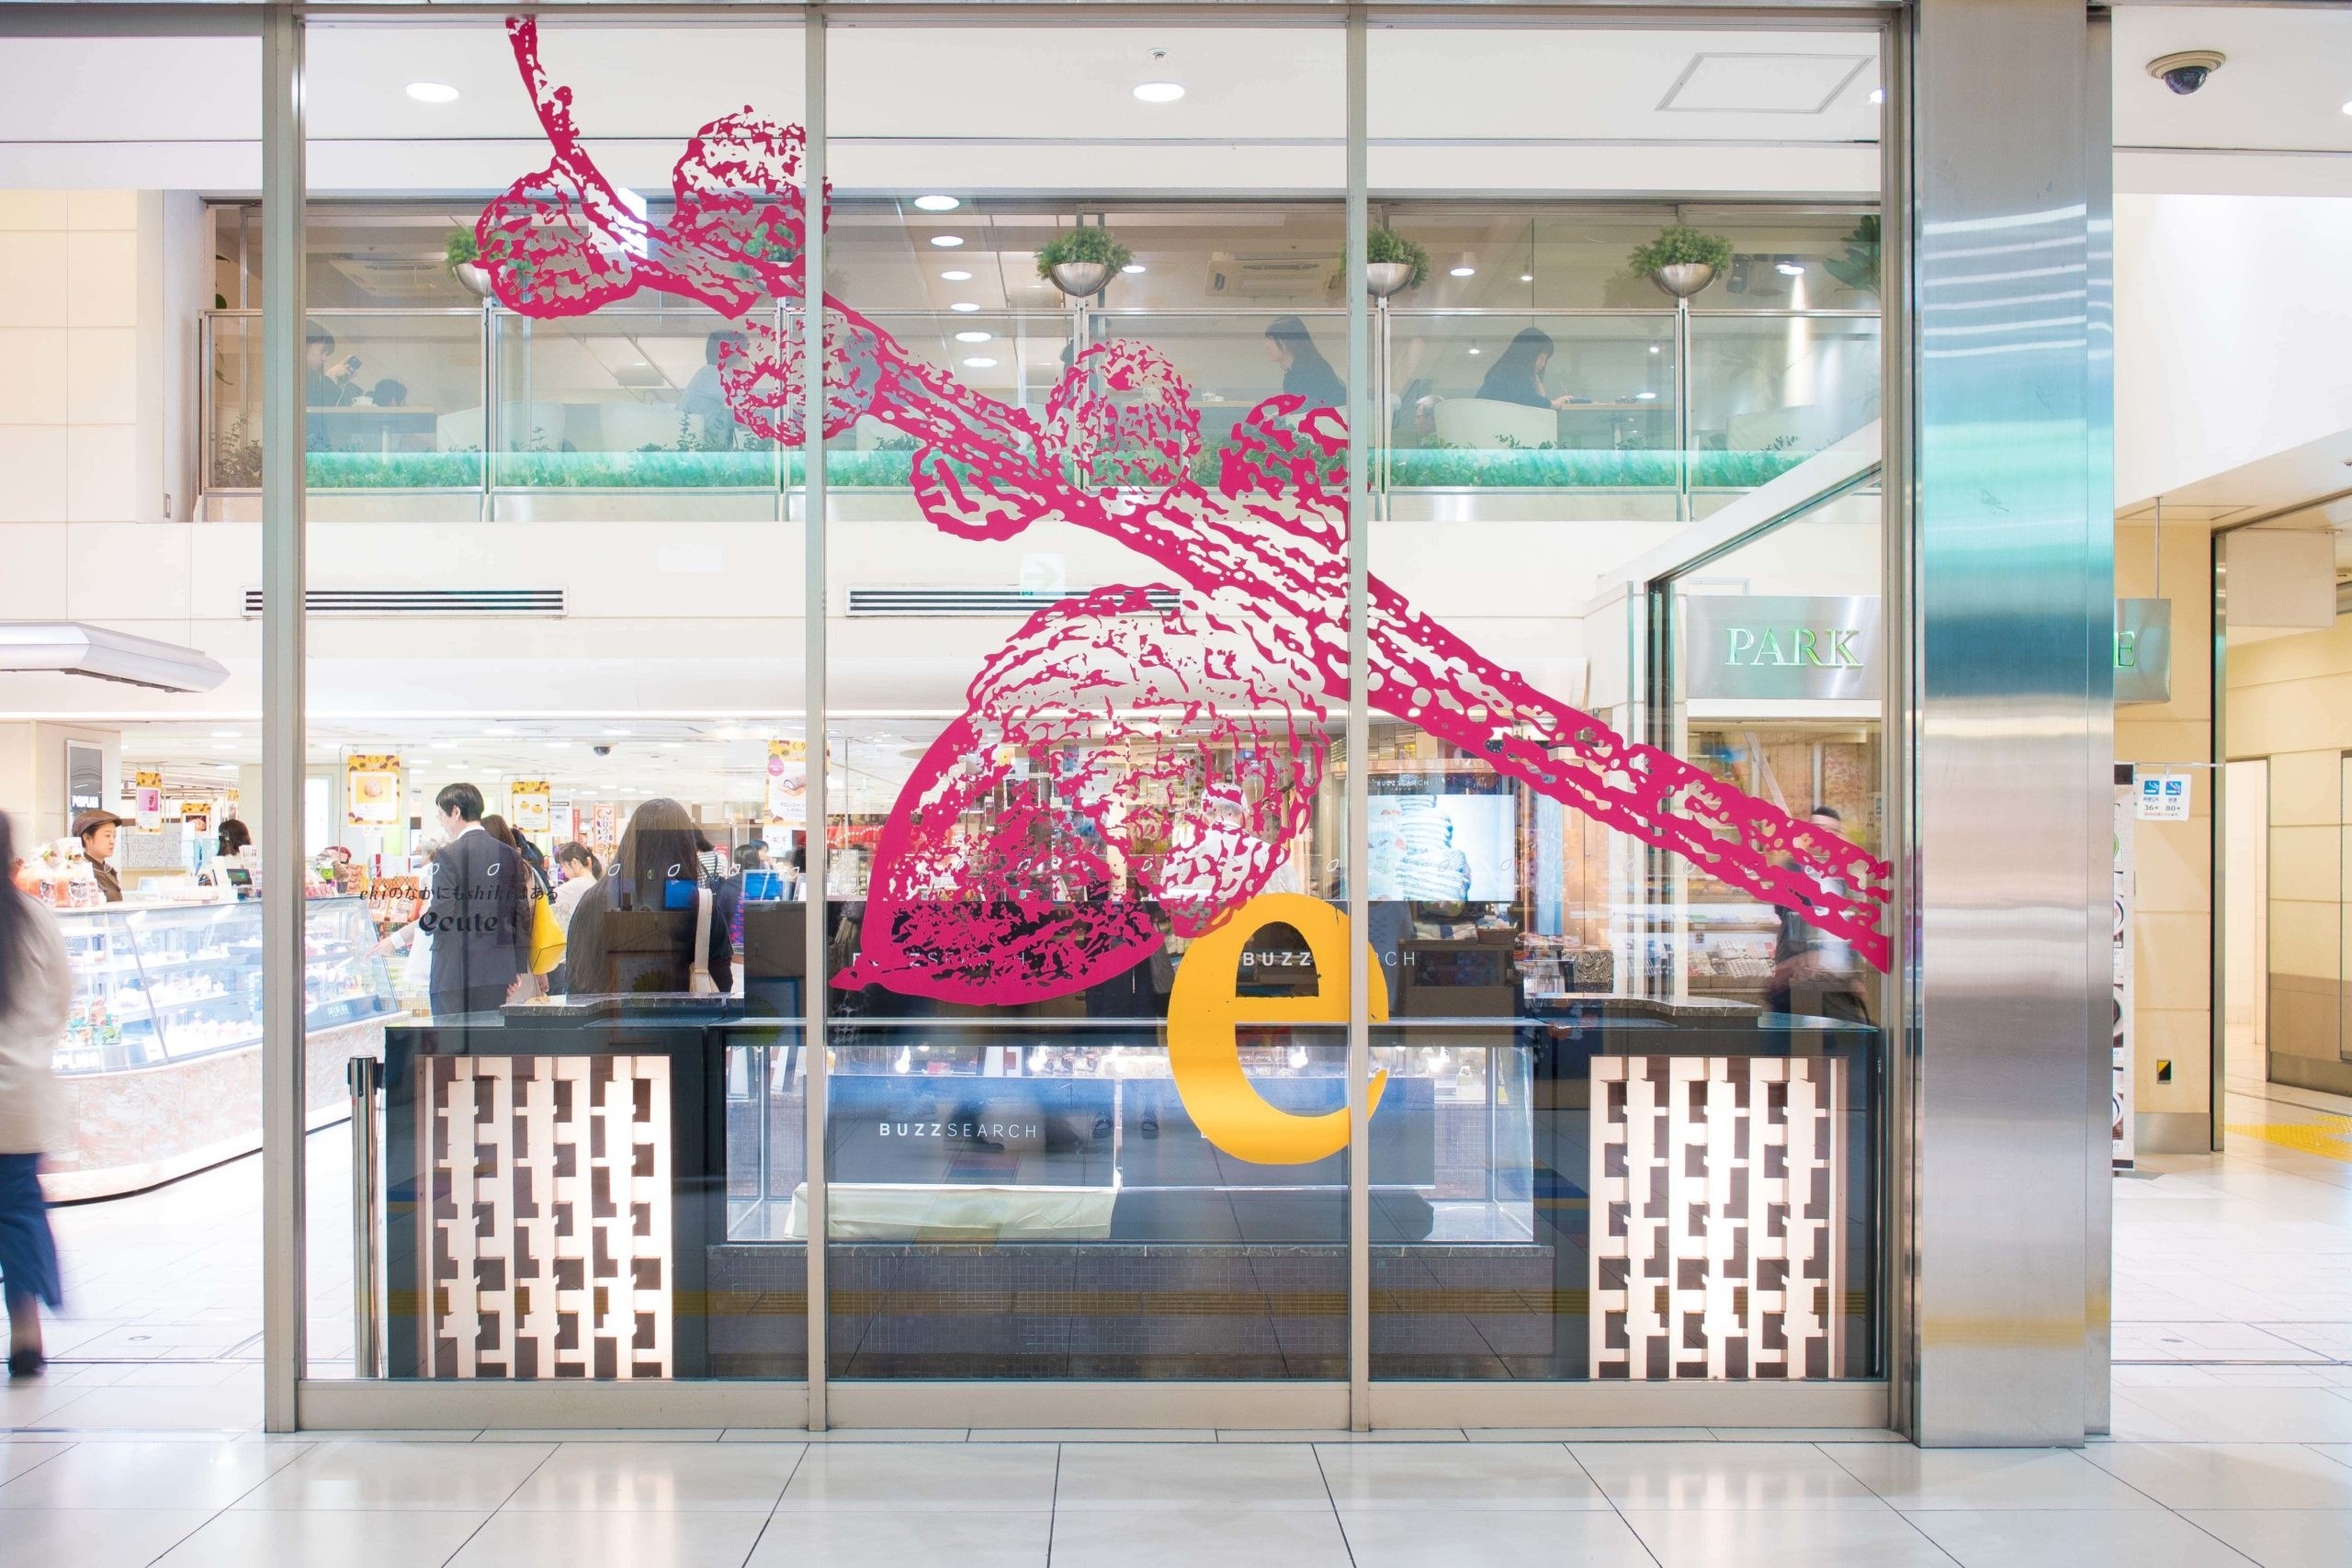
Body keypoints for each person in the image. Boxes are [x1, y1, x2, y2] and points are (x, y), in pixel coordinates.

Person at [0, 811, 71, 1379]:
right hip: (18, 1097)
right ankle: (26, 1335)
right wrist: (32, 1050)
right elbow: (59, 999)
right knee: (18, 1211)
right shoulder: (33, 917)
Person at [563, 797, 736, 996]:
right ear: (685, 845)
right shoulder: (698, 904)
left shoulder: (593, 899)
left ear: (629, 841)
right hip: (681, 1013)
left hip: (606, 1013)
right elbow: (721, 981)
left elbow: (576, 974)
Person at [421, 783, 526, 1020]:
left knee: (451, 1038)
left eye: (441, 814)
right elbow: (520, 913)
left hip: (454, 971)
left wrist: (424, 924)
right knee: (486, 1037)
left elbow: (442, 910)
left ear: (456, 811)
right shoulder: (510, 854)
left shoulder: (448, 855)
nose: (441, 821)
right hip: (496, 970)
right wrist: (515, 967)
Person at [1766, 805, 1872, 1023]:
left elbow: (1848, 929)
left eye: (1831, 831)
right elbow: (1786, 913)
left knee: (1858, 1036)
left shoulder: (1842, 879)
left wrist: (1854, 977)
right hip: (1801, 980)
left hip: (1838, 985)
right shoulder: (1792, 871)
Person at [1475, 326, 1580, 411]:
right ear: (1529, 353)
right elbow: (1528, 399)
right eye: (1541, 357)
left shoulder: (1504, 371)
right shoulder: (1509, 373)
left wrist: (1536, 377)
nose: (1543, 364)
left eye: (1546, 359)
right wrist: (1555, 404)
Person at [680, 330, 750, 447]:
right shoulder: (712, 373)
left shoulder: (713, 375)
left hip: (705, 447)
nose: (748, 359)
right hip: (697, 448)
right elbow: (747, 415)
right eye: (745, 353)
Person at [1262, 316, 1346, 412]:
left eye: (1271, 339)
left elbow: (1305, 413)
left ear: (1288, 340)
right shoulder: (1309, 368)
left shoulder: (1304, 374)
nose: (1266, 345)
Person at [549, 841, 601, 935]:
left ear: (574, 862)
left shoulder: (576, 885)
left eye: (562, 866)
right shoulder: (594, 882)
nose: (562, 871)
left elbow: (549, 899)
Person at [72, 810, 124, 903]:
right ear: (87, 838)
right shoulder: (80, 871)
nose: (112, 841)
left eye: (114, 836)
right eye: (107, 835)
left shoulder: (108, 870)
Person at [304, 322, 359, 409]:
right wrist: (330, 377)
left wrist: (339, 384)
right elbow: (309, 407)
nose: (324, 359)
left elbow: (329, 413)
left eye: (326, 354)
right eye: (321, 351)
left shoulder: (312, 377)